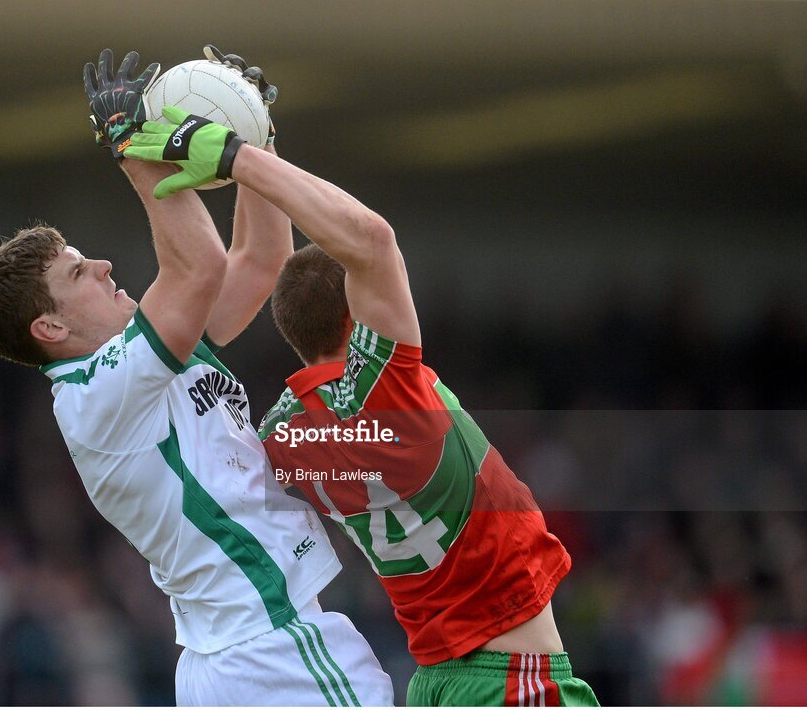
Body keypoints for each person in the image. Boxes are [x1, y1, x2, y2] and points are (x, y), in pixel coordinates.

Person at [122, 96, 600, 706]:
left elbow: (264, 263)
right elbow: (370, 241)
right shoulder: (389, 393)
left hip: (435, 678)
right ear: (358, 318)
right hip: (513, 680)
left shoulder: (284, 435)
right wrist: (240, 157)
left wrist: (258, 140)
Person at [0, 48, 392, 707]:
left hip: (235, 650)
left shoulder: (145, 359)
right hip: (271, 649)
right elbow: (199, 267)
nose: (103, 265)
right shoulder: (95, 390)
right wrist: (136, 150)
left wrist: (258, 138)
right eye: (77, 272)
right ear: (48, 328)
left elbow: (259, 259)